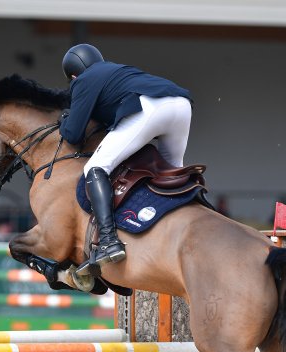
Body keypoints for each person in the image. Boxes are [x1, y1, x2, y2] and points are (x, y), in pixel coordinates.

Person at [59, 43, 193, 269]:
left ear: (73, 75)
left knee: (96, 168)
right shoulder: (113, 70)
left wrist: (64, 120)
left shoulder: (83, 80)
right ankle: (197, 215)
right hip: (182, 106)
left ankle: (109, 242)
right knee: (173, 175)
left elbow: (72, 134)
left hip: (151, 108)